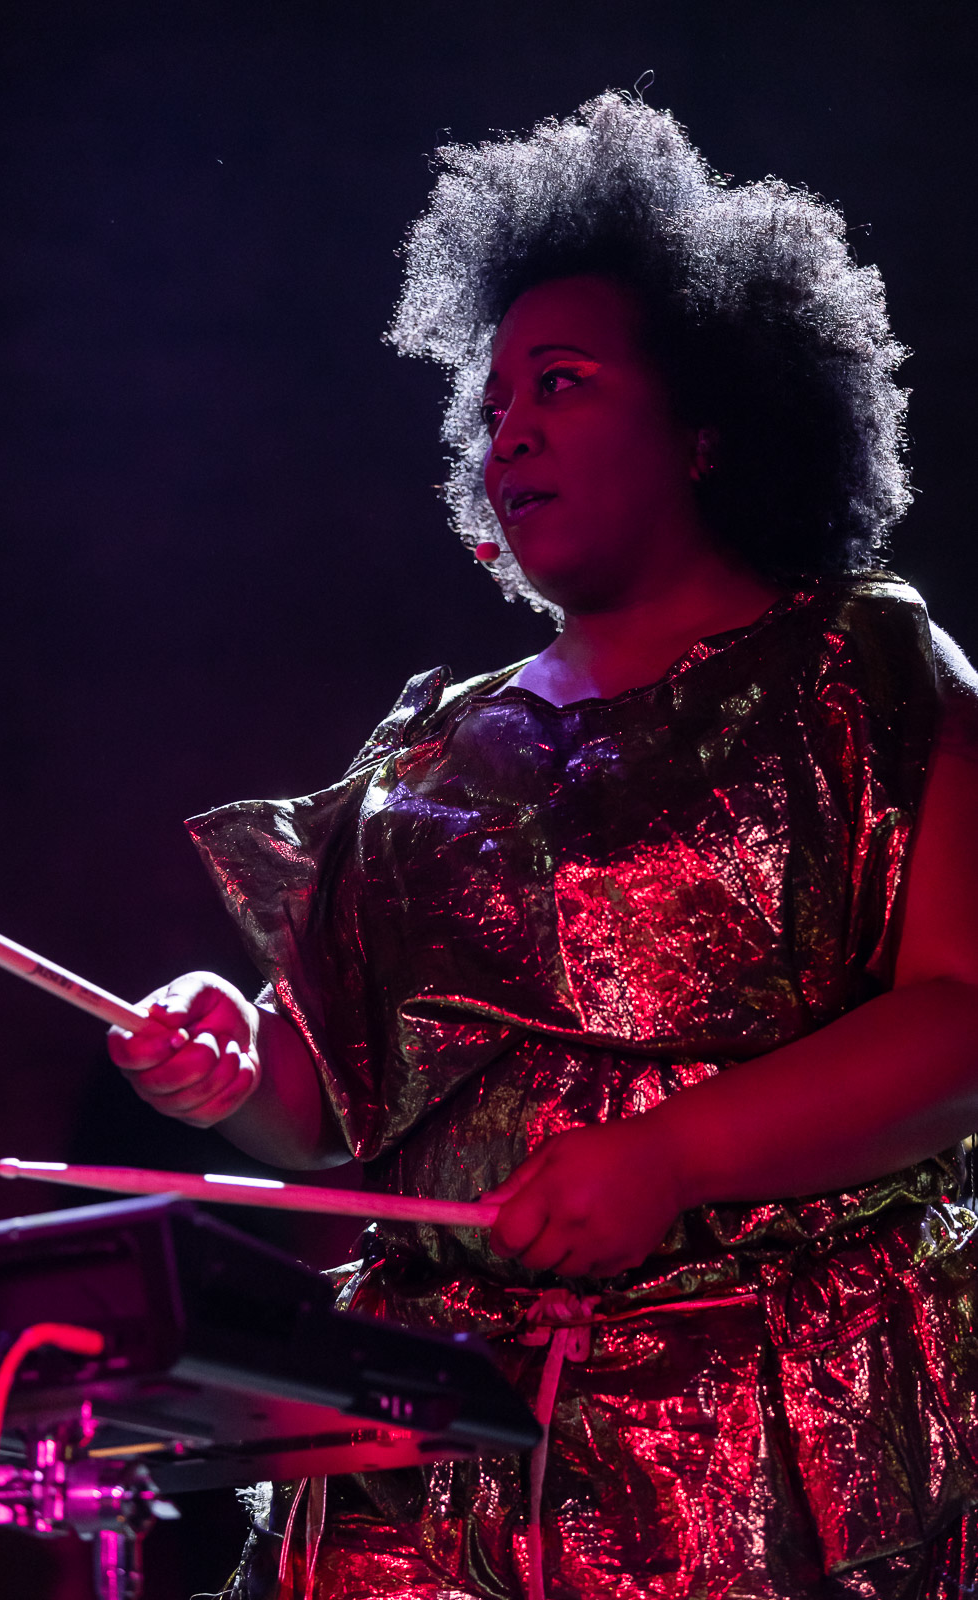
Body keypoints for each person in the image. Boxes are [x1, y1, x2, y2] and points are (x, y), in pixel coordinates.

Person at [108, 93, 978, 1599]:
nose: (511, 425)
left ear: (711, 424)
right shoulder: (427, 744)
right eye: (494, 402)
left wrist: (674, 1157)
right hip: (420, 1460)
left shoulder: (868, 665)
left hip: (763, 1456)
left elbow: (965, 1025)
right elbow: (324, 1114)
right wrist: (231, 1067)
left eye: (562, 383)